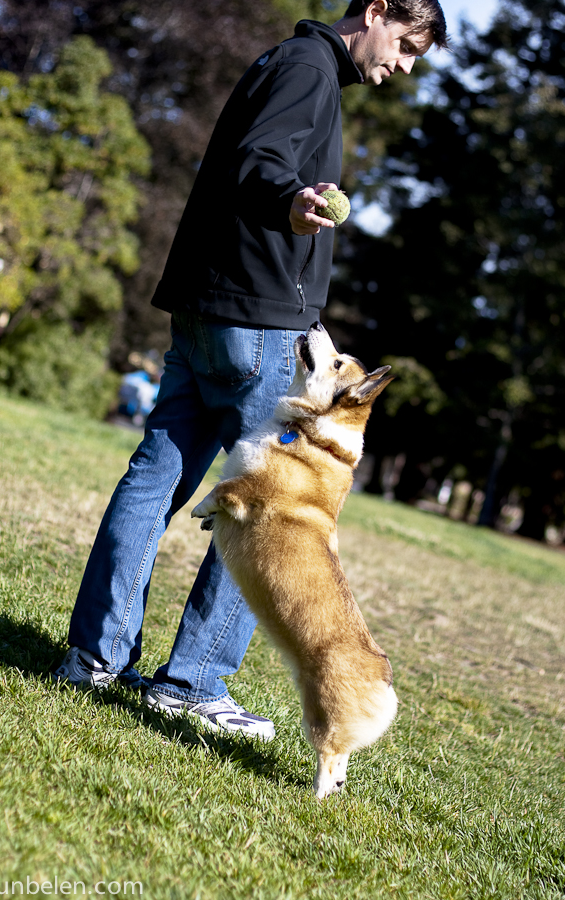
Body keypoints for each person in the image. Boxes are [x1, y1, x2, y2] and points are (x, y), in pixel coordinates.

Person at [54, 0, 448, 739]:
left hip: (206, 310)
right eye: (406, 45)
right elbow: (261, 161)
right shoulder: (310, 69)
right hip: (260, 322)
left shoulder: (282, 60)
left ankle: (94, 659)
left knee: (154, 481)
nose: (403, 67)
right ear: (373, 12)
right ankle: (193, 682)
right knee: (277, 509)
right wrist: (292, 201)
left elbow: (248, 159)